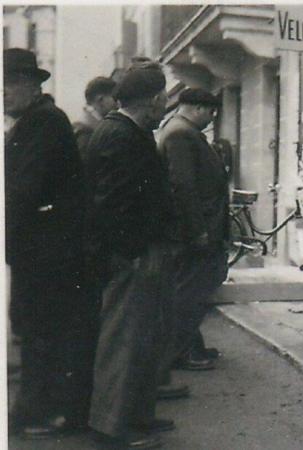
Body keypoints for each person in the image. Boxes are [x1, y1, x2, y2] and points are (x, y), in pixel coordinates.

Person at [4, 48, 98, 438]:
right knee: (40, 330)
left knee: (47, 333)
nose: (2, 93)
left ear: (31, 84)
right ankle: (40, 409)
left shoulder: (43, 123)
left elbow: (24, 189)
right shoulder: (32, 122)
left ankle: (50, 413)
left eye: (8, 84)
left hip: (52, 252)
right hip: (43, 250)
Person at [83, 59, 175, 449]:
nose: (165, 107)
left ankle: (135, 418)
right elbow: (113, 206)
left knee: (138, 340)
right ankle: (111, 430)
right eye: (164, 100)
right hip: (131, 257)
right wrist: (132, 253)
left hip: (132, 253)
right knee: (123, 341)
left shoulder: (119, 131)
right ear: (154, 100)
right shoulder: (123, 137)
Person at [156, 88, 229, 380]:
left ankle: (191, 344)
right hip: (195, 231)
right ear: (197, 108)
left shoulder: (179, 131)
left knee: (191, 288)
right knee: (190, 290)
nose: (212, 119)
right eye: (210, 112)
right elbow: (183, 186)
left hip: (199, 227)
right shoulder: (180, 134)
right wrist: (197, 230)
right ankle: (180, 351)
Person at [73, 76, 117, 159]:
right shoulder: (85, 130)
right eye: (114, 98)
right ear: (100, 100)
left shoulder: (87, 125)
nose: (117, 104)